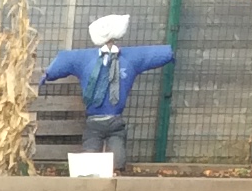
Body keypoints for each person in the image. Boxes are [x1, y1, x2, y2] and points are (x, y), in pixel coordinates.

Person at [43, 13, 174, 172]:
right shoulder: (126, 58)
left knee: (105, 156)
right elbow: (148, 54)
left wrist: (48, 74)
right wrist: (168, 54)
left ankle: (108, 175)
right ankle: (112, 173)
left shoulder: (89, 59)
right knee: (106, 155)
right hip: (104, 121)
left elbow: (66, 59)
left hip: (105, 121)